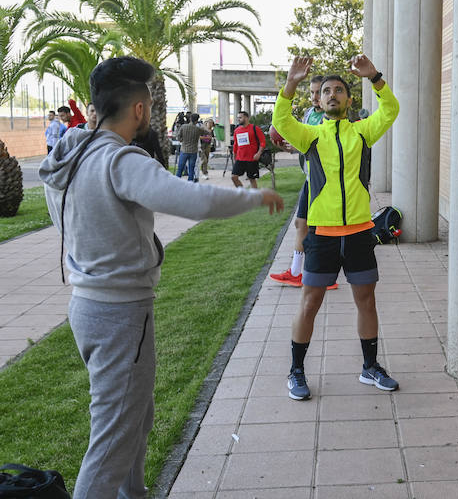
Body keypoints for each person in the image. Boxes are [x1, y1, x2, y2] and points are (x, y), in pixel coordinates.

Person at [39, 56, 284, 499]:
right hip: (119, 314)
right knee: (112, 437)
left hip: (89, 308)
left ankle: (134, 493)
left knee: (136, 413)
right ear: (138, 109)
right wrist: (254, 198)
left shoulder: (68, 154)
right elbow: (194, 201)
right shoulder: (118, 161)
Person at [272, 54, 399, 401]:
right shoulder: (311, 136)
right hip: (323, 236)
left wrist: (375, 77)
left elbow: (390, 110)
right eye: (326, 91)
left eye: (339, 90)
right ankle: (296, 372)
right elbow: (281, 120)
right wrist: (292, 82)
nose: (332, 95)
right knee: (309, 303)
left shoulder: (362, 131)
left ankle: (370, 367)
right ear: (319, 99)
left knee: (366, 302)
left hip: (358, 233)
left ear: (348, 99)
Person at [269, 75, 336, 289]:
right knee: (302, 224)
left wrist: (299, 147)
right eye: (312, 92)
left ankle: (323, 274)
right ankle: (297, 271)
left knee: (316, 227)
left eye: (320, 92)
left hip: (322, 179)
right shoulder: (309, 114)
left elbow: (326, 147)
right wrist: (290, 145)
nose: (315, 97)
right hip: (309, 176)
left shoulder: (330, 117)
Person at [231, 110, 265, 189]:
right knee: (234, 177)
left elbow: (262, 142)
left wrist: (259, 153)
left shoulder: (255, 128)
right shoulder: (237, 130)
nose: (238, 119)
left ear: (246, 118)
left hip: (252, 159)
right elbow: (236, 144)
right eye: (238, 118)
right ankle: (243, 193)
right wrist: (234, 155)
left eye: (240, 117)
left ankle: (254, 197)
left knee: (252, 179)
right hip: (240, 158)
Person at [176, 112, 203, 182]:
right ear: (197, 120)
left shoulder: (183, 127)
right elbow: (206, 132)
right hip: (193, 151)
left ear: (190, 119)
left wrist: (182, 140)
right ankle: (190, 183)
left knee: (180, 168)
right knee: (191, 169)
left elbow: (178, 137)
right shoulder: (198, 129)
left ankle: (176, 182)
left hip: (184, 150)